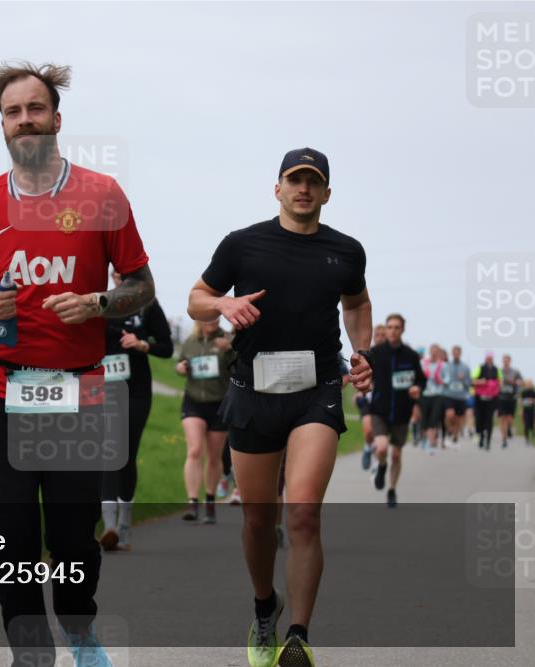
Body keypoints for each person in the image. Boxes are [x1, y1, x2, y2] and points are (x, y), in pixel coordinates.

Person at [0, 61, 154, 667]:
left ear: (57, 119)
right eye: (13, 112)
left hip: (80, 391)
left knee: (71, 531)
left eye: (35, 109)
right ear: (2, 125)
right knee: (12, 533)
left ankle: (81, 632)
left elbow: (142, 285)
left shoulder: (101, 195)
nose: (25, 121)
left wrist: (98, 303)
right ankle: (29, 650)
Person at [188, 147, 373, 667]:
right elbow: (196, 297)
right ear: (278, 188)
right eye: (295, 180)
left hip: (315, 392)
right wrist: (222, 303)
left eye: (314, 182)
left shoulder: (347, 251)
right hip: (252, 391)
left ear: (327, 193)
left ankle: (298, 636)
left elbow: (356, 304)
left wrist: (363, 352)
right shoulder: (242, 244)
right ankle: (265, 606)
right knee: (256, 519)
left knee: (304, 513)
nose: (304, 189)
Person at [100, 269, 173, 550]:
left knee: (126, 454)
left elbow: (166, 347)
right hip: (104, 388)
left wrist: (142, 344)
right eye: (115, 272)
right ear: (111, 275)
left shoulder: (148, 306)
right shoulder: (99, 303)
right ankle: (108, 527)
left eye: (125, 272)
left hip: (137, 391)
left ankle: (124, 525)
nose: (120, 276)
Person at [175, 319, 235, 524]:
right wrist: (180, 368)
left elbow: (240, 365)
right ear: (199, 318)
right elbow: (180, 364)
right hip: (193, 402)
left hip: (219, 404)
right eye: (208, 317)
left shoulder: (227, 339)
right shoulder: (190, 341)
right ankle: (192, 502)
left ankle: (210, 499)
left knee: (214, 456)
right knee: (194, 450)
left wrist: (230, 349)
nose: (213, 321)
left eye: (216, 317)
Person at [368, 313, 425, 508]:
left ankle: (391, 490)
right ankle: (381, 466)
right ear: (386, 329)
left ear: (402, 330)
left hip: (402, 412)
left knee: (397, 455)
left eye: (396, 327)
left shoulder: (410, 355)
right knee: (382, 448)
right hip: (379, 410)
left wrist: (418, 388)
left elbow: (421, 379)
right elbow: (366, 377)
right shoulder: (376, 352)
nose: (392, 331)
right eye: (390, 327)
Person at [356, 324, 386, 469]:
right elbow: (359, 373)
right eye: (378, 335)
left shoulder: (391, 356)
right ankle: (368, 447)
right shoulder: (369, 354)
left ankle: (377, 461)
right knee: (368, 430)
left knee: (379, 435)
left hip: (384, 401)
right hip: (368, 397)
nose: (380, 338)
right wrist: (358, 391)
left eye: (383, 335)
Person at [441, 345, 471, 446]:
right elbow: (441, 378)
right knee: (450, 414)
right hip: (449, 394)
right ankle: (449, 429)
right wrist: (444, 382)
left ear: (460, 353)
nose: (456, 354)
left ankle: (455, 435)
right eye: (454, 352)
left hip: (460, 396)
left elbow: (468, 384)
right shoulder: (446, 366)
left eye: (458, 352)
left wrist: (463, 379)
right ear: (452, 353)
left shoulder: (465, 367)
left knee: (458, 418)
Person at [419, 344, 446, 453]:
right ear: (429, 351)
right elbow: (419, 377)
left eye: (436, 351)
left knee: (434, 418)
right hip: (425, 394)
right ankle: (426, 440)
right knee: (425, 418)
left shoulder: (443, 365)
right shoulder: (423, 363)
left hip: (438, 394)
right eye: (432, 350)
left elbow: (448, 379)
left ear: (439, 352)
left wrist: (440, 380)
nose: (434, 353)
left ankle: (431, 442)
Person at [473, 353, 501, 450]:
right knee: (479, 419)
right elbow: (473, 380)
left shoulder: (497, 369)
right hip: (480, 398)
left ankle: (488, 442)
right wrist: (481, 382)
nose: (489, 360)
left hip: (491, 398)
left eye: (491, 358)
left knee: (489, 420)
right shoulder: (479, 368)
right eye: (487, 358)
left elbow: (500, 382)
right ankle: (481, 437)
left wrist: (493, 385)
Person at [497, 354, 523, 448]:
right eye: (504, 360)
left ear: (510, 361)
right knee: (502, 417)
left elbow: (521, 382)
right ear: (502, 361)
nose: (505, 361)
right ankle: (504, 439)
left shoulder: (515, 371)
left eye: (507, 360)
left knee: (510, 418)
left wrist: (515, 382)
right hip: (501, 397)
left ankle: (509, 428)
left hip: (512, 397)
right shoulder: (498, 371)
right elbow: (494, 381)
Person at [520, 379, 535, 446]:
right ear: (525, 385)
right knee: (526, 424)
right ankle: (527, 439)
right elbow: (521, 402)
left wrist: (532, 400)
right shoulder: (524, 392)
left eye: (530, 384)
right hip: (525, 410)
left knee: (532, 425)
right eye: (527, 384)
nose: (528, 385)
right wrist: (521, 411)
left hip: (532, 410)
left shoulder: (533, 392)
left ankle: (532, 437)